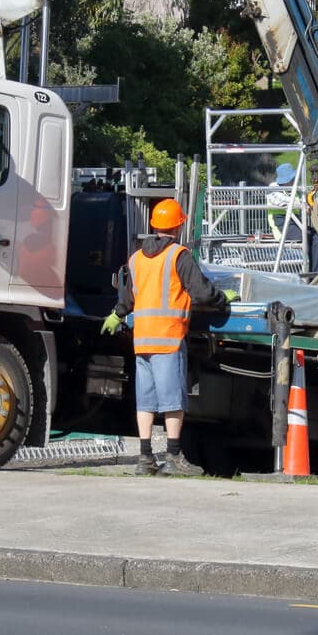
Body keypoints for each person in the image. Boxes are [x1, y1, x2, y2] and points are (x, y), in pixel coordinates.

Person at [100, 198, 239, 476]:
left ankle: (145, 458)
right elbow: (200, 291)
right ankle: (174, 457)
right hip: (169, 338)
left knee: (146, 401)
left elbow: (129, 298)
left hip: (142, 341)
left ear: (154, 226)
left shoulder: (136, 258)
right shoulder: (179, 255)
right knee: (173, 400)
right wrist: (223, 298)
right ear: (178, 226)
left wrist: (116, 314)